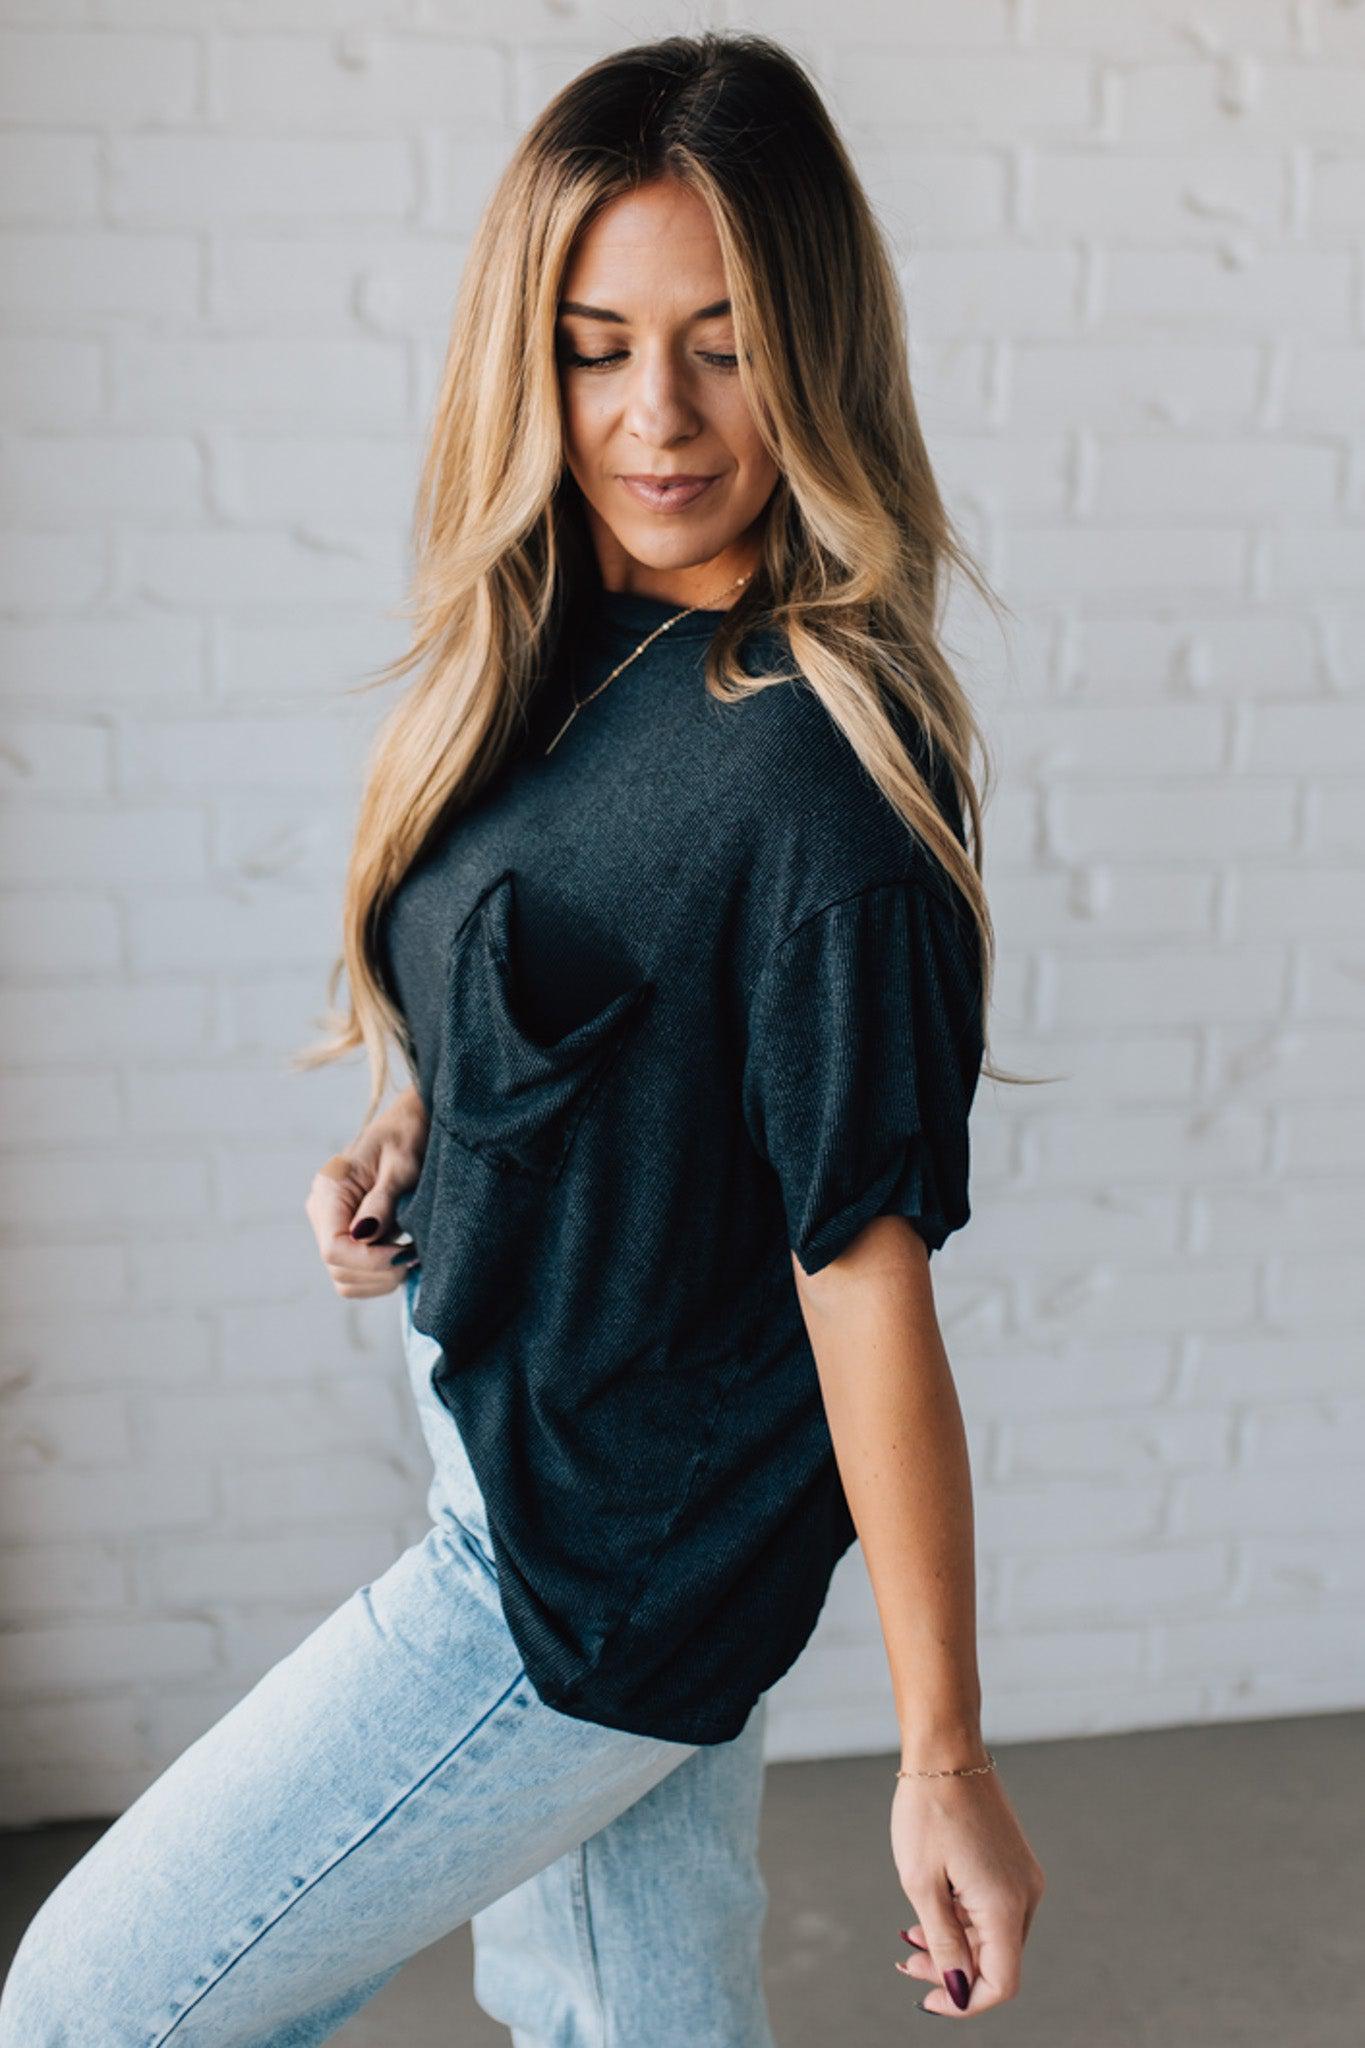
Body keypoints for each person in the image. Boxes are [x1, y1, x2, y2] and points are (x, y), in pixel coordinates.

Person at [0, 29, 1046, 2045]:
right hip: (535, 1452)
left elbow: (862, 1285)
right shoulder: (576, 634)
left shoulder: (818, 789)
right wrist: (423, 1136)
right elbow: (559, 990)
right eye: (594, 343)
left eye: (723, 343)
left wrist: (945, 1757)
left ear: (813, 345)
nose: (652, 415)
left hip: (585, 1568)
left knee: (89, 2005)